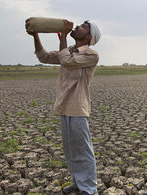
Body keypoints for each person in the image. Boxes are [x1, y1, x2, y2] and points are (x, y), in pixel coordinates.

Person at [26, 19, 101, 195]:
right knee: (70, 150)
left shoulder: (91, 54)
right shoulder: (69, 51)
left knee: (83, 150)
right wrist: (36, 35)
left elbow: (66, 61)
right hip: (64, 107)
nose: (77, 26)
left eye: (82, 26)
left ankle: (89, 190)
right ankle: (77, 182)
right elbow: (44, 56)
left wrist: (64, 35)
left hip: (77, 108)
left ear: (89, 36)